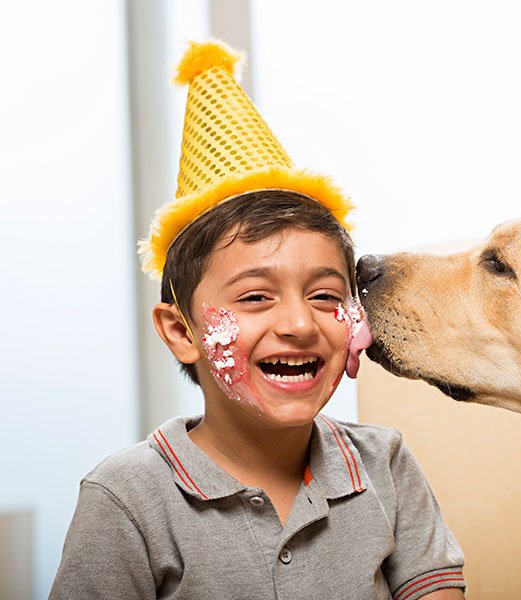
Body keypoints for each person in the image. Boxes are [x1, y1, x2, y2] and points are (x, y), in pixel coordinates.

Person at [50, 39, 465, 600]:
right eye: (254, 298)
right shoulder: (126, 498)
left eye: (323, 295)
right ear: (181, 332)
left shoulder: (385, 465)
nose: (299, 323)